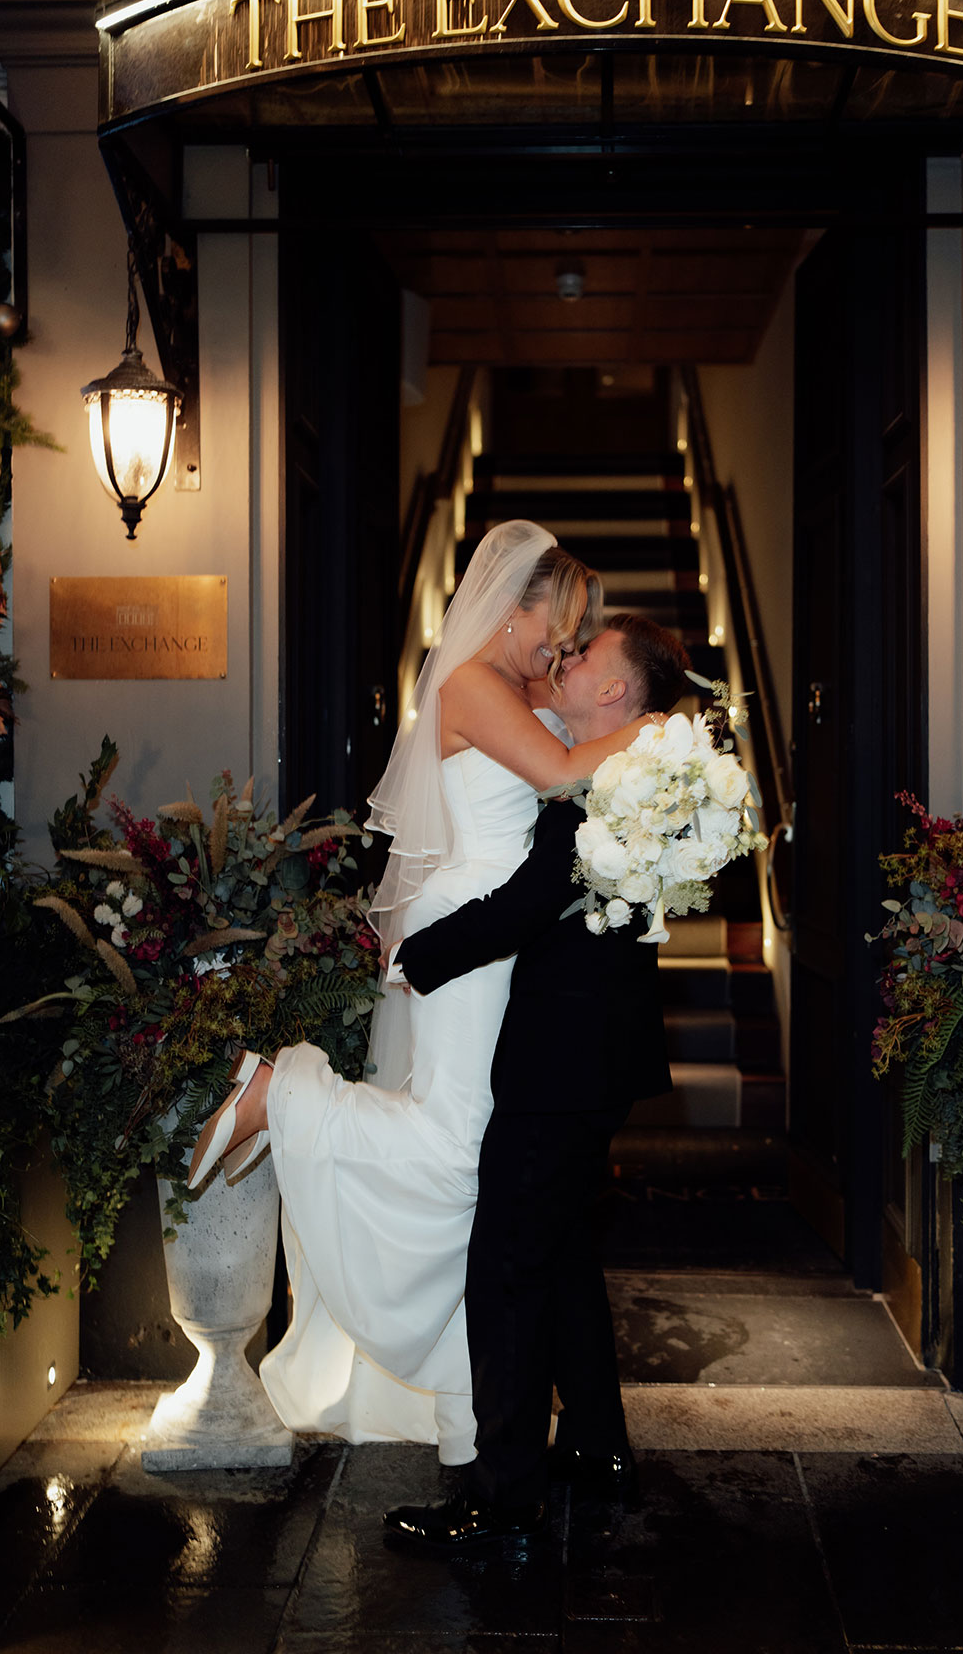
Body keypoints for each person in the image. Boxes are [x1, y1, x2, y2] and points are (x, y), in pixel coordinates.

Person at [185, 521, 654, 1468]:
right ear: (512, 604)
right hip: (468, 929)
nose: (560, 646)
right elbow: (564, 772)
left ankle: (473, 1417)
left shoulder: (524, 685)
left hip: (500, 933)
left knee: (479, 1157)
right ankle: (288, 1095)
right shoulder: (472, 686)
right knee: (457, 1151)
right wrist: (656, 732)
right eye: (556, 625)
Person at [381, 615, 689, 1553]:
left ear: (614, 692)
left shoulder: (603, 778)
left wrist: (409, 957)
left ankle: (501, 1495)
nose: (569, 658)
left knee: (506, 1264)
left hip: (563, 1055)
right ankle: (598, 1450)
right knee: (557, 1255)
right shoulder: (633, 768)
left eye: (588, 654)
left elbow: (524, 905)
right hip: (597, 1050)